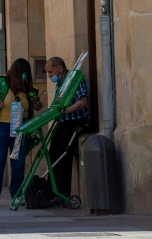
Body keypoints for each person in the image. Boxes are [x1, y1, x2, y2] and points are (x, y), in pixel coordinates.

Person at [0, 58, 43, 207]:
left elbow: (38, 107)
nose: (24, 76)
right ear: (14, 73)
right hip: (1, 126)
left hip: (20, 129)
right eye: (21, 73)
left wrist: (37, 102)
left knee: (18, 163)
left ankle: (17, 194)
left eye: (26, 73)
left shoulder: (28, 89)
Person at [46, 56, 90, 203]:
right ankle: (51, 190)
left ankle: (63, 192)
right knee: (52, 154)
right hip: (62, 122)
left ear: (59, 68)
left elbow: (82, 103)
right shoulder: (60, 83)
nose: (49, 76)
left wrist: (63, 112)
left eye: (50, 72)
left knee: (62, 155)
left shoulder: (75, 80)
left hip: (74, 121)